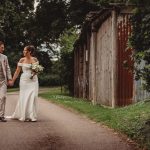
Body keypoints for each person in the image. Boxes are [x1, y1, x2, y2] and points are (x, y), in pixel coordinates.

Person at [10, 45, 39, 122]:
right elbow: (17, 71)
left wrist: (34, 74)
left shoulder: (35, 59)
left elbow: (36, 71)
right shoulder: (21, 60)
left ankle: (31, 115)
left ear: (29, 52)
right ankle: (24, 115)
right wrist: (12, 80)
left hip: (34, 81)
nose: (23, 51)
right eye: (23, 50)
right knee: (24, 97)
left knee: (34, 96)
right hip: (24, 81)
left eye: (25, 50)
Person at [0, 41, 12, 122]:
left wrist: (10, 78)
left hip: (3, 80)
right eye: (2, 47)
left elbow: (7, 68)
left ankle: (1, 115)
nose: (3, 49)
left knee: (3, 97)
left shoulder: (4, 57)